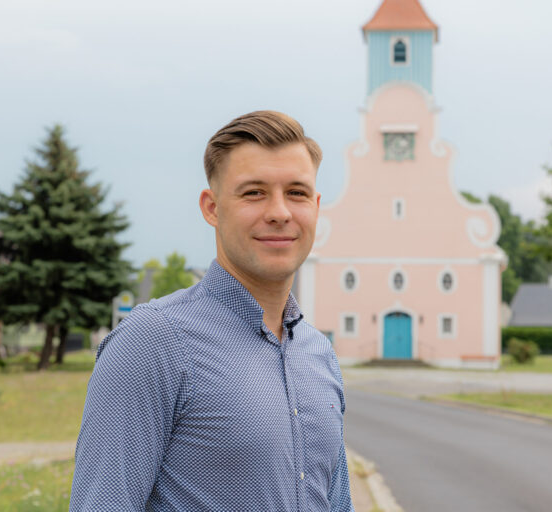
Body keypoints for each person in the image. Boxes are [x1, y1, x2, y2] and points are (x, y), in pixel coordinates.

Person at [70, 111, 353, 511]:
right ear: (212, 208)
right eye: (254, 193)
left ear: (316, 206)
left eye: (297, 192)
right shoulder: (153, 342)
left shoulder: (318, 354)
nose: (280, 212)